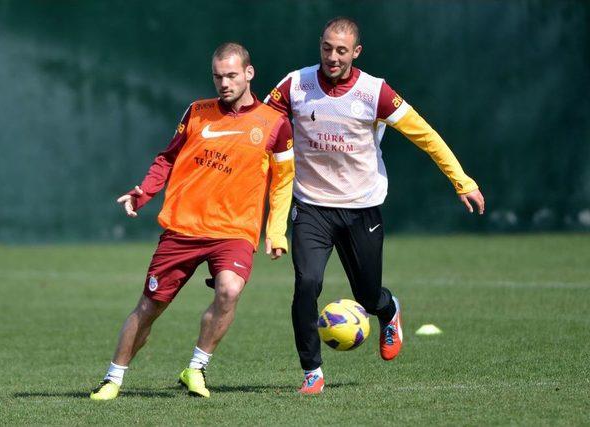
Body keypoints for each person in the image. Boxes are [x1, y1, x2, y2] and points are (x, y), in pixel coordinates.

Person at [265, 17, 485, 394]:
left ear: (356, 52)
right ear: (320, 44)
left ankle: (388, 309)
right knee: (307, 284)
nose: (332, 57)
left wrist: (461, 180)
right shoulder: (295, 84)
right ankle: (312, 372)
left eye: (341, 51)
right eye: (327, 48)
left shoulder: (375, 92)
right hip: (311, 206)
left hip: (361, 207)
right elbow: (261, 127)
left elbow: (426, 136)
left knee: (368, 294)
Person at [90, 42, 295, 400]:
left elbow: (283, 182)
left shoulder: (275, 124)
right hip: (183, 228)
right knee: (149, 307)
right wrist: (144, 192)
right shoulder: (197, 112)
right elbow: (167, 158)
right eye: (218, 76)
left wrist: (275, 232)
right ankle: (113, 378)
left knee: (229, 290)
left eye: (231, 75)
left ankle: (196, 368)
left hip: (234, 230)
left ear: (249, 73)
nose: (224, 83)